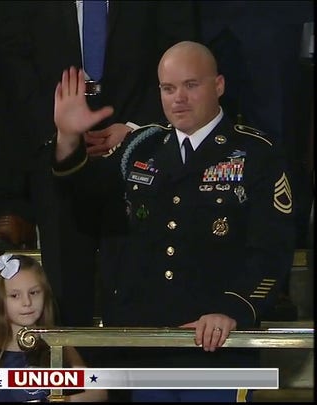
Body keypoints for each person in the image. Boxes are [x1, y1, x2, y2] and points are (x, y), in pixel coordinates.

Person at [51, 41, 295, 402]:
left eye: (190, 85)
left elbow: (272, 248)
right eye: (168, 88)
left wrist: (233, 308)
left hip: (216, 347)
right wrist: (68, 139)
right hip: (141, 344)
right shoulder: (140, 147)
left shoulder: (257, 154)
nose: (178, 98)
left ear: (219, 86)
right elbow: (84, 207)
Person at [0, 1, 198, 330]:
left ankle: (125, 372)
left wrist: (135, 129)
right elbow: (13, 62)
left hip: (137, 149)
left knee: (133, 282)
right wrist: (63, 130)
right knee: (67, 286)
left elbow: (179, 51)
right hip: (56, 147)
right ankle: (72, 372)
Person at [0, 254, 107, 403]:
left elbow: (98, 393)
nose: (27, 302)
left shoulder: (60, 345)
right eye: (14, 295)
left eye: (34, 293)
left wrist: (63, 400)